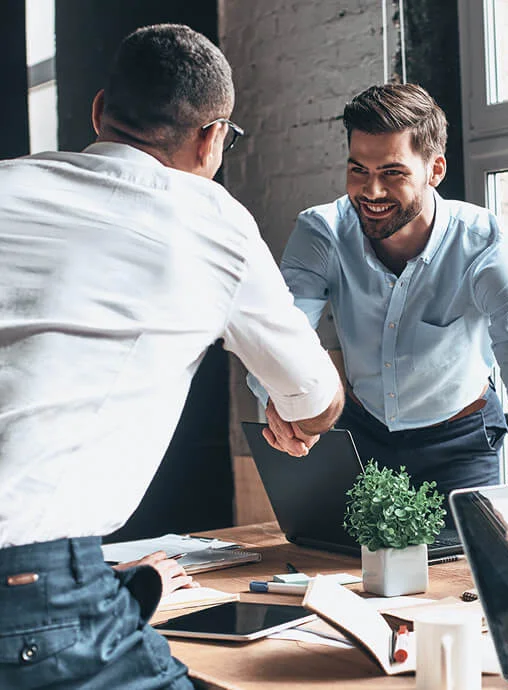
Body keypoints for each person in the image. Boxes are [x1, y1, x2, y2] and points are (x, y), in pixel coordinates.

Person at [0, 24, 344, 689]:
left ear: (99, 111)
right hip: (37, 592)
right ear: (213, 138)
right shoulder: (210, 220)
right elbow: (314, 399)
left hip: (53, 581)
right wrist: (295, 412)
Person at [250, 83, 508, 498]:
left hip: (459, 445)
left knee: (467, 563)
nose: (371, 191)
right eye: (358, 170)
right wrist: (279, 401)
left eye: (392, 173)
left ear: (434, 171)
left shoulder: (487, 244)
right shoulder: (323, 231)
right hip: (360, 434)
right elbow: (279, 332)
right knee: (341, 560)